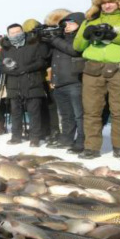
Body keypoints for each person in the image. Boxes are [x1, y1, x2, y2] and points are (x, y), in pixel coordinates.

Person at [74, 0, 120, 159]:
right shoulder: (90, 20)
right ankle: (91, 148)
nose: (107, 6)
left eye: (111, 1)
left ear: (119, 1)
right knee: (91, 111)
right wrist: (86, 33)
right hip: (92, 70)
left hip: (118, 69)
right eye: (103, 3)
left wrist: (114, 36)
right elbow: (77, 46)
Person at [40, 10, 85, 153]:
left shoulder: (81, 38)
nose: (67, 26)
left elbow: (74, 50)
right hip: (59, 82)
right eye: (65, 23)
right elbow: (47, 57)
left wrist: (54, 40)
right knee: (66, 115)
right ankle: (66, 139)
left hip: (75, 82)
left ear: (80, 24)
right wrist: (44, 40)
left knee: (79, 115)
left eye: (71, 23)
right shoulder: (60, 38)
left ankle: (82, 142)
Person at [0, 23, 49, 147]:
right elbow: (0, 65)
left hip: (32, 83)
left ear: (23, 31)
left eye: (18, 32)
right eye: (12, 33)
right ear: (8, 35)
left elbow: (42, 62)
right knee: (15, 113)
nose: (16, 34)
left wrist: (25, 69)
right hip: (13, 84)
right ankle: (16, 136)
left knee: (34, 112)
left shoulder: (33, 43)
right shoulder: (5, 48)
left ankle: (35, 138)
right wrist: (11, 70)